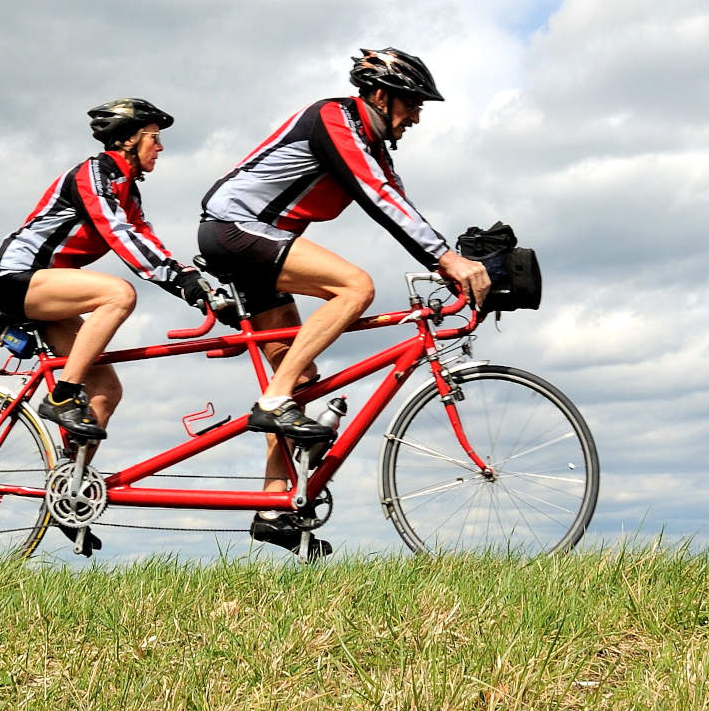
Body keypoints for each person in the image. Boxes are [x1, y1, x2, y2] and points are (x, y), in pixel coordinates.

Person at [198, 48, 490, 555]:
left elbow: (400, 205)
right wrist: (446, 259)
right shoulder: (333, 119)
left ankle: (273, 510)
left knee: (301, 385)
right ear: (380, 94)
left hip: (259, 244)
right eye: (413, 103)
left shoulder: (374, 148)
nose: (418, 116)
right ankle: (272, 402)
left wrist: (454, 261)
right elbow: (378, 197)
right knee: (355, 287)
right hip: (233, 230)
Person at [0, 98, 214, 554]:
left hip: (55, 290)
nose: (161, 147)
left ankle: (67, 495)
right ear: (128, 139)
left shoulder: (129, 188)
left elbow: (146, 236)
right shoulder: (92, 174)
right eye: (154, 137)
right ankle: (60, 396)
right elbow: (118, 233)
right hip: (21, 280)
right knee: (118, 293)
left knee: (106, 393)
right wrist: (177, 281)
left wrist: (195, 285)